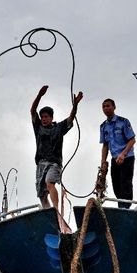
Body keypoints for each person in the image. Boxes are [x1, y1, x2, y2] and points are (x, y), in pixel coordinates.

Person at [30, 85, 83, 223]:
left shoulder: (59, 128)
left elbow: (71, 118)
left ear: (51, 117)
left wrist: (75, 104)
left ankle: (56, 211)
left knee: (50, 182)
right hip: (41, 163)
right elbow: (32, 111)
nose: (43, 119)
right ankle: (50, 215)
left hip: (54, 163)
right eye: (42, 117)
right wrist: (39, 95)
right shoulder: (38, 128)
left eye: (46, 117)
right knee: (41, 195)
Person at [100, 98, 136, 209]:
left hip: (127, 157)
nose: (106, 108)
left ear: (114, 107)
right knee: (116, 184)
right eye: (104, 106)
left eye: (108, 106)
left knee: (126, 182)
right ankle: (121, 205)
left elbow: (132, 140)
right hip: (114, 158)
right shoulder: (103, 126)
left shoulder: (123, 121)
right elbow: (105, 145)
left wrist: (123, 154)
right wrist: (103, 163)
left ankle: (125, 207)